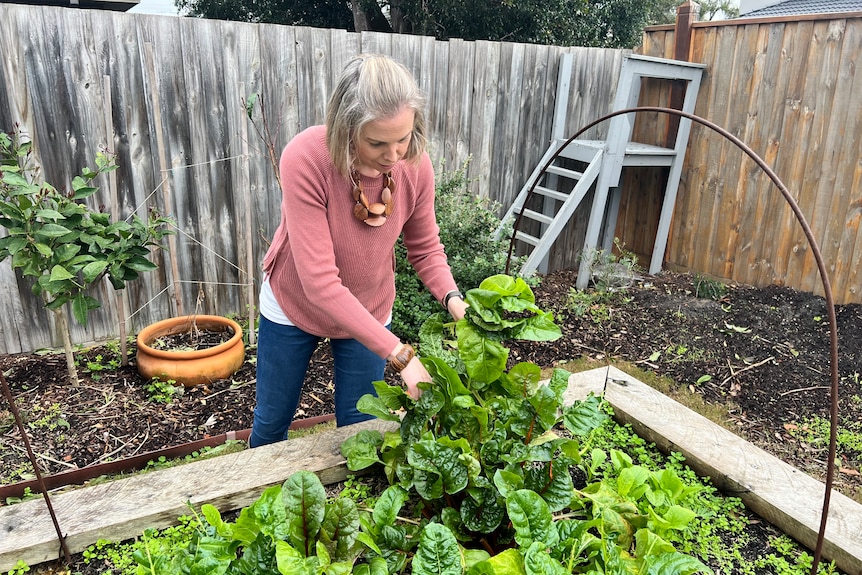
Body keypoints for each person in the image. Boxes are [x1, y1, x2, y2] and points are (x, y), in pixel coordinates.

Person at [249, 54, 469, 448]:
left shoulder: (415, 165)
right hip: (293, 300)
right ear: (345, 128)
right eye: (377, 142)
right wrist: (401, 356)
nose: (394, 154)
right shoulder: (306, 158)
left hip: (368, 306)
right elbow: (319, 283)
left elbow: (425, 248)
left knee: (360, 428)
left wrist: (455, 301)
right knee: (272, 422)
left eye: (403, 137)